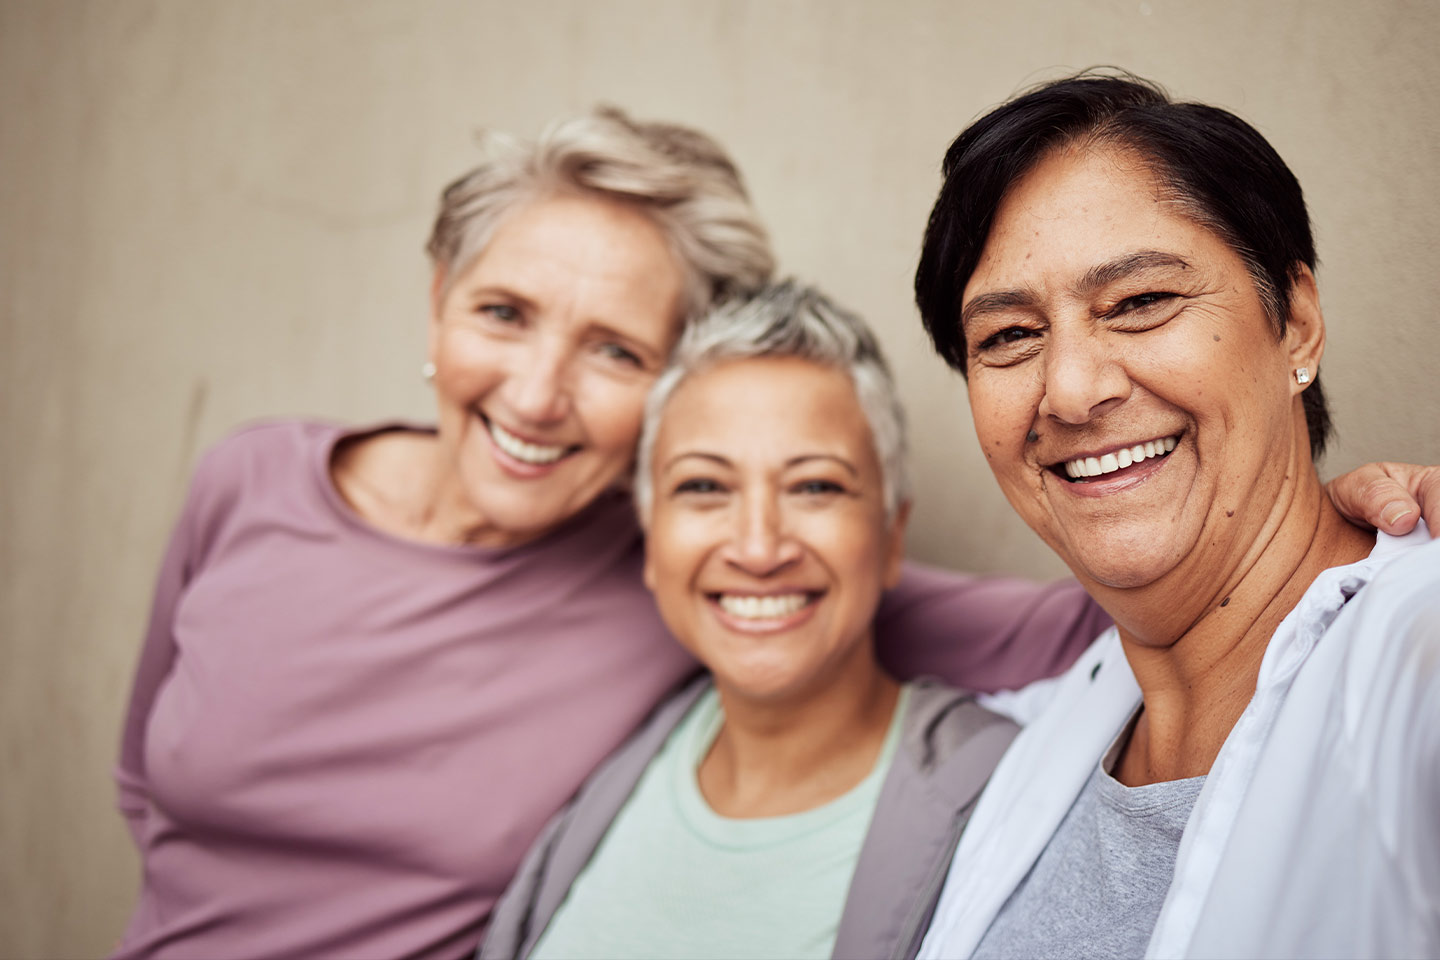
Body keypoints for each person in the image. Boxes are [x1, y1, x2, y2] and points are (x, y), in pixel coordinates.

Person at [112, 107, 1123, 960]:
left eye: (613, 350)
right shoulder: (249, 482)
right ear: (437, 304)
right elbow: (143, 791)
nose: (538, 394)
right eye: (503, 312)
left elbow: (1108, 624)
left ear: (678, 391)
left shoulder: (685, 565)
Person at [909, 71, 1440, 959]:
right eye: (1008, 337)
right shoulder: (1056, 721)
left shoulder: (1416, 656)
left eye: (1141, 302)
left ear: (1297, 322)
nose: (1073, 391)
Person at [483, 283, 1017, 960]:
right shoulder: (614, 759)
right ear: (651, 539)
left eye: (814, 486)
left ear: (889, 537)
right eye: (704, 486)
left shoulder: (1002, 798)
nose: (759, 548)